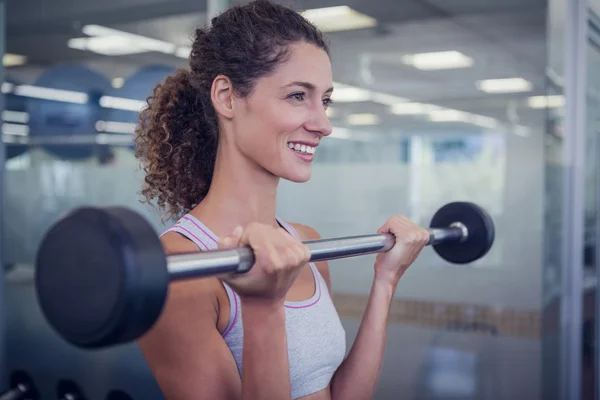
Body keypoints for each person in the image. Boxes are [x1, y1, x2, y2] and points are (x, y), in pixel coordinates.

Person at [133, 1, 430, 399]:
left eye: (324, 100)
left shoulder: (303, 243)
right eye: (296, 96)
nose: (323, 124)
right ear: (226, 97)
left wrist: (386, 280)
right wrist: (263, 306)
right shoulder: (177, 273)